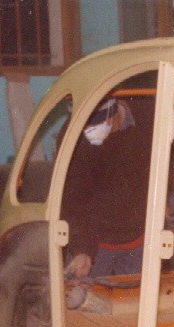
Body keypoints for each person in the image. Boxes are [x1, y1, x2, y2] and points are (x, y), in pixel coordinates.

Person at [61, 96, 154, 279]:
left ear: (113, 115)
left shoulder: (146, 119)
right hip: (95, 244)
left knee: (139, 294)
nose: (88, 132)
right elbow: (72, 198)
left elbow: (160, 162)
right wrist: (82, 250)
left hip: (138, 237)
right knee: (83, 293)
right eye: (84, 127)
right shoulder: (72, 136)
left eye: (94, 125)